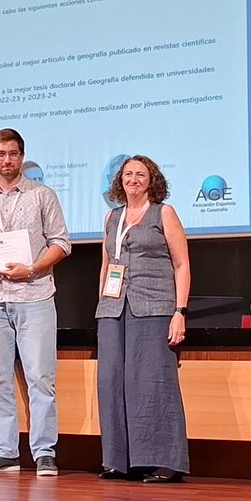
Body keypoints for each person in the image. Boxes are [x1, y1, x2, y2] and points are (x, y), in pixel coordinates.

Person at [0, 128, 71, 476]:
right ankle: (6, 451)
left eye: (12, 153)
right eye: (1, 154)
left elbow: (61, 243)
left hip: (34, 295)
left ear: (21, 157)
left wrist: (32, 268)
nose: (7, 160)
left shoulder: (42, 195)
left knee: (40, 378)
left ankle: (44, 453)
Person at [94, 155, 191, 483]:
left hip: (154, 307)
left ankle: (165, 462)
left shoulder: (164, 213)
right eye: (128, 174)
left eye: (140, 174)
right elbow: (106, 265)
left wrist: (179, 312)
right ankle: (119, 461)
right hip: (113, 309)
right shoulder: (112, 217)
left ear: (152, 180)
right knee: (112, 383)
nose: (133, 179)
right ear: (119, 180)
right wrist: (102, 305)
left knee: (152, 383)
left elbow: (181, 265)